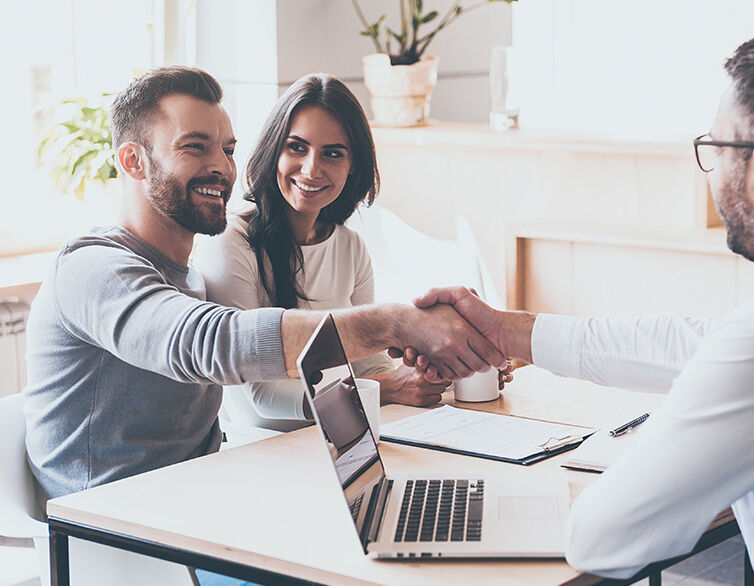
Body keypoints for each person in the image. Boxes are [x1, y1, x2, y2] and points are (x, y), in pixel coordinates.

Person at [405, 27, 754, 583]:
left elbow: (599, 540)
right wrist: (505, 331)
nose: (712, 167)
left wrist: (679, 429)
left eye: (716, 148)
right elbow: (697, 344)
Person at [22, 65, 505, 506]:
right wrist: (398, 323)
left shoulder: (189, 274)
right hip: (122, 528)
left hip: (207, 496)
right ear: (132, 161)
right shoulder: (93, 268)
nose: (222, 167)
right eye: (195, 147)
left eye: (227, 149)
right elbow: (211, 343)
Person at [192, 73, 451, 430]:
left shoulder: (350, 247)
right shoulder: (230, 242)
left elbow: (370, 366)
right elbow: (262, 396)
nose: (312, 169)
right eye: (296, 147)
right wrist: (383, 389)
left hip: (342, 443)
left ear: (352, 167)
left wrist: (423, 375)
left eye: (332, 154)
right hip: (263, 455)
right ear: (273, 149)